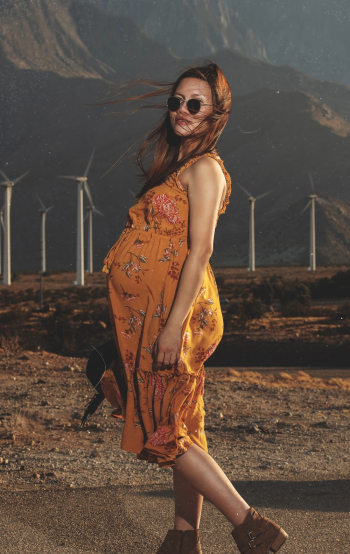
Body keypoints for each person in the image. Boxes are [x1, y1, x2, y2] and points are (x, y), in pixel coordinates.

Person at [100, 61, 288, 554]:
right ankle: (184, 538)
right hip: (156, 315)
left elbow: (199, 249)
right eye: (177, 101)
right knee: (182, 427)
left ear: (216, 113)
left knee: (163, 429)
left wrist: (171, 329)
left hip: (173, 317)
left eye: (195, 104)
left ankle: (251, 526)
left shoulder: (205, 168)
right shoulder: (179, 164)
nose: (182, 111)